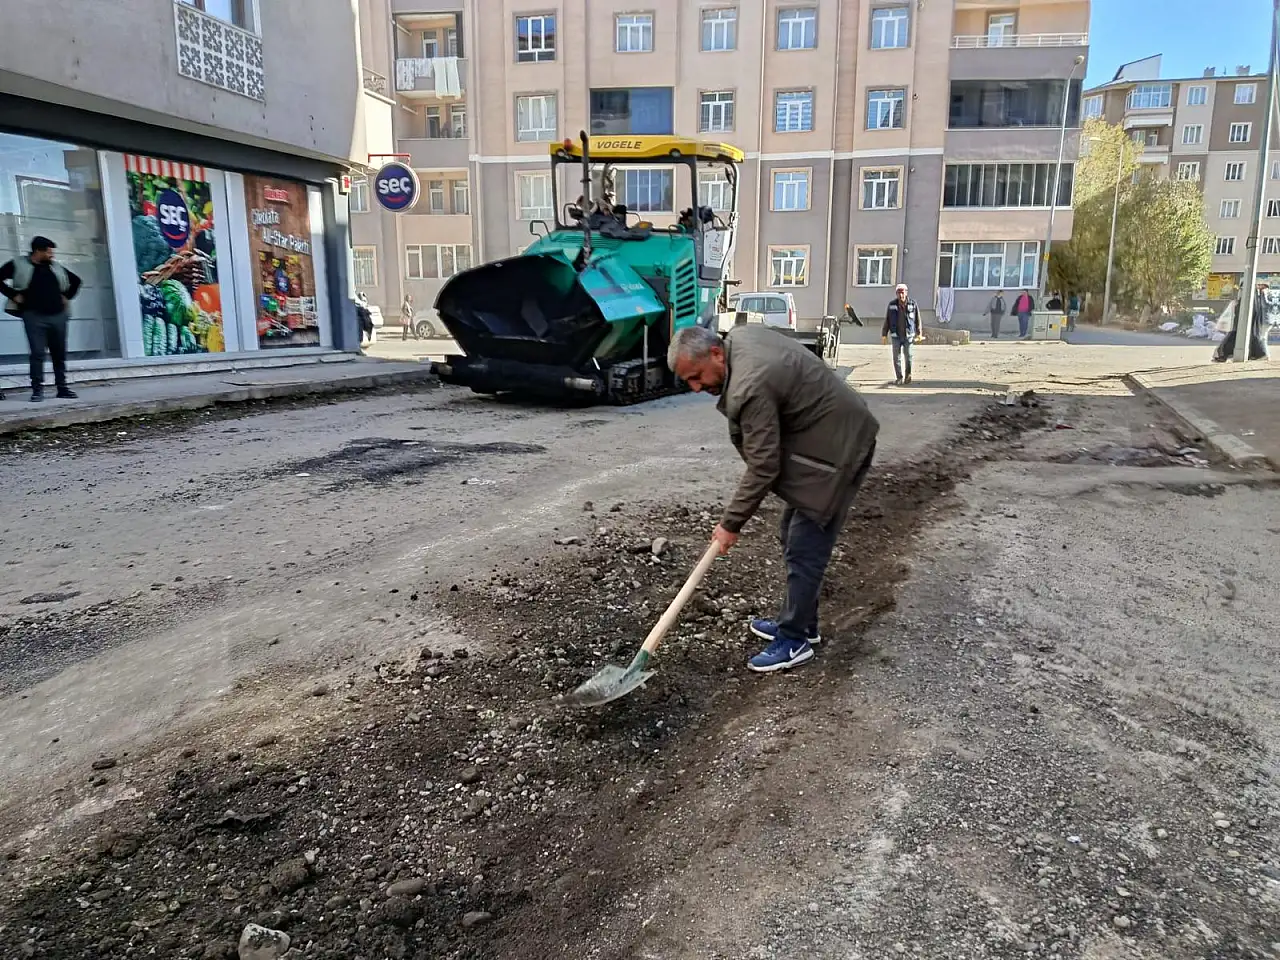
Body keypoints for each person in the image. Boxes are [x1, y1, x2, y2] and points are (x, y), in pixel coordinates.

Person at [667, 324, 879, 673]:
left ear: (716, 354)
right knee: (791, 534)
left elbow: (764, 465)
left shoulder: (751, 385)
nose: (696, 387)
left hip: (841, 452)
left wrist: (730, 524)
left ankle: (794, 639)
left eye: (697, 376)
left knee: (805, 547)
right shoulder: (739, 340)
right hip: (825, 442)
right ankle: (801, 626)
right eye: (688, 381)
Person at [1, 236, 81, 402]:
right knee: (37, 353)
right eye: (49, 251)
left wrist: (67, 296)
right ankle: (37, 390)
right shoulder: (18, 264)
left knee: (59, 353)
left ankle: (62, 388)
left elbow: (76, 281)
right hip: (33, 315)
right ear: (38, 251)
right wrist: (13, 295)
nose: (52, 254)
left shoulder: (55, 267)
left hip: (58, 316)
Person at [1213, 283, 1271, 362]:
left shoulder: (1255, 297)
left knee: (1258, 338)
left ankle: (1261, 354)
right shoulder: (1256, 297)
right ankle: (1260, 354)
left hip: (1251, 323)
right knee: (1258, 338)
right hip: (1252, 323)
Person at [881, 282, 920, 385]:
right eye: (899, 293)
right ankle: (899, 377)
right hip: (896, 336)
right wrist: (884, 334)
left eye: (902, 293)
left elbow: (917, 320)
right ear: (896, 294)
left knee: (909, 356)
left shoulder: (912, 304)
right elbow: (887, 320)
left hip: (908, 336)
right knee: (896, 358)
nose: (901, 295)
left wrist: (919, 333)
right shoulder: (892, 305)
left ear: (906, 293)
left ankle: (908, 375)